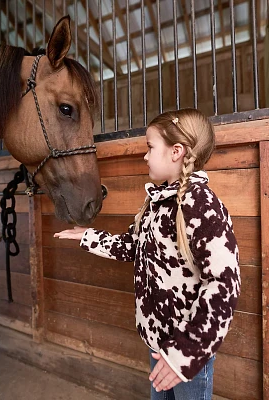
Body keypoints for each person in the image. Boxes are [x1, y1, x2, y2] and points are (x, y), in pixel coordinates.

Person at [54, 108, 240, 400]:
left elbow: (224, 285)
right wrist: (88, 237)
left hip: (186, 353)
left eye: (150, 147)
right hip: (157, 343)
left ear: (176, 152)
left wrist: (185, 354)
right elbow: (132, 246)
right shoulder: (158, 200)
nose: (145, 155)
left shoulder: (202, 205)